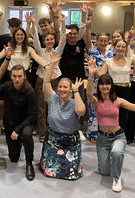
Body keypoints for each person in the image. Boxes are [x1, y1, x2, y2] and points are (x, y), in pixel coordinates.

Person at [87, 57, 135, 192]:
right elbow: (88, 93)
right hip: (102, 139)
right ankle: (112, 163)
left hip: (117, 136)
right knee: (104, 171)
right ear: (99, 86)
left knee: (117, 153)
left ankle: (117, 178)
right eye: (102, 84)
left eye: (107, 84)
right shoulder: (96, 101)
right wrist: (91, 75)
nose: (104, 87)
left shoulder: (119, 101)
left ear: (111, 86)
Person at [0, 64, 37, 181]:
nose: (17, 79)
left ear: (24, 77)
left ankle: (29, 163)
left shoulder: (30, 91)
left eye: (19, 76)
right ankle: (18, 142)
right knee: (13, 158)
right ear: (11, 76)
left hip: (25, 123)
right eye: (14, 76)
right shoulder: (7, 86)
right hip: (11, 123)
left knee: (26, 134)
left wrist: (17, 130)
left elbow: (33, 115)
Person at [40, 52, 86, 180]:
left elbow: (81, 111)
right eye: (60, 87)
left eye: (65, 87)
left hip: (70, 142)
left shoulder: (74, 101)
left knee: (71, 173)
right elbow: (46, 82)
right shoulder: (52, 98)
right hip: (53, 140)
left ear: (70, 89)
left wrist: (76, 91)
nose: (62, 89)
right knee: (50, 171)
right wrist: (52, 64)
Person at [29, 13, 66, 143]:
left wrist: (62, 23)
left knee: (55, 108)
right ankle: (42, 133)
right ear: (44, 41)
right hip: (41, 81)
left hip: (55, 82)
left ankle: (55, 130)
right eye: (47, 40)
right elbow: (35, 39)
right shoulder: (40, 51)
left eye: (51, 39)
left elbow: (63, 40)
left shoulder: (57, 52)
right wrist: (33, 24)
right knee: (41, 108)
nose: (50, 41)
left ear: (54, 41)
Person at [97, 38, 135, 130]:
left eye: (123, 47)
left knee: (123, 115)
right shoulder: (108, 61)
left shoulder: (129, 60)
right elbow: (101, 75)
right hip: (113, 91)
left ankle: (120, 135)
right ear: (114, 47)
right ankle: (109, 133)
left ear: (126, 49)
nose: (121, 48)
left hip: (125, 90)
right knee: (111, 114)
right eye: (118, 46)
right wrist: (94, 69)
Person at [59, 13, 92, 140]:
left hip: (78, 79)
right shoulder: (63, 44)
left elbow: (85, 30)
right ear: (67, 34)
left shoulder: (81, 43)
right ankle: (64, 127)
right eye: (70, 33)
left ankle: (78, 129)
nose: (72, 35)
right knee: (65, 104)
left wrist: (85, 14)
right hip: (65, 79)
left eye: (74, 33)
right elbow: (59, 31)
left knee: (80, 104)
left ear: (77, 34)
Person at [86, 32, 114, 143]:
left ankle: (105, 132)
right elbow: (87, 38)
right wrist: (88, 26)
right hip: (94, 83)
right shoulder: (92, 50)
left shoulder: (112, 51)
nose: (103, 42)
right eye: (100, 40)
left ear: (108, 41)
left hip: (107, 84)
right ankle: (92, 134)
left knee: (106, 108)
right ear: (96, 41)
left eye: (105, 40)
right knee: (93, 108)